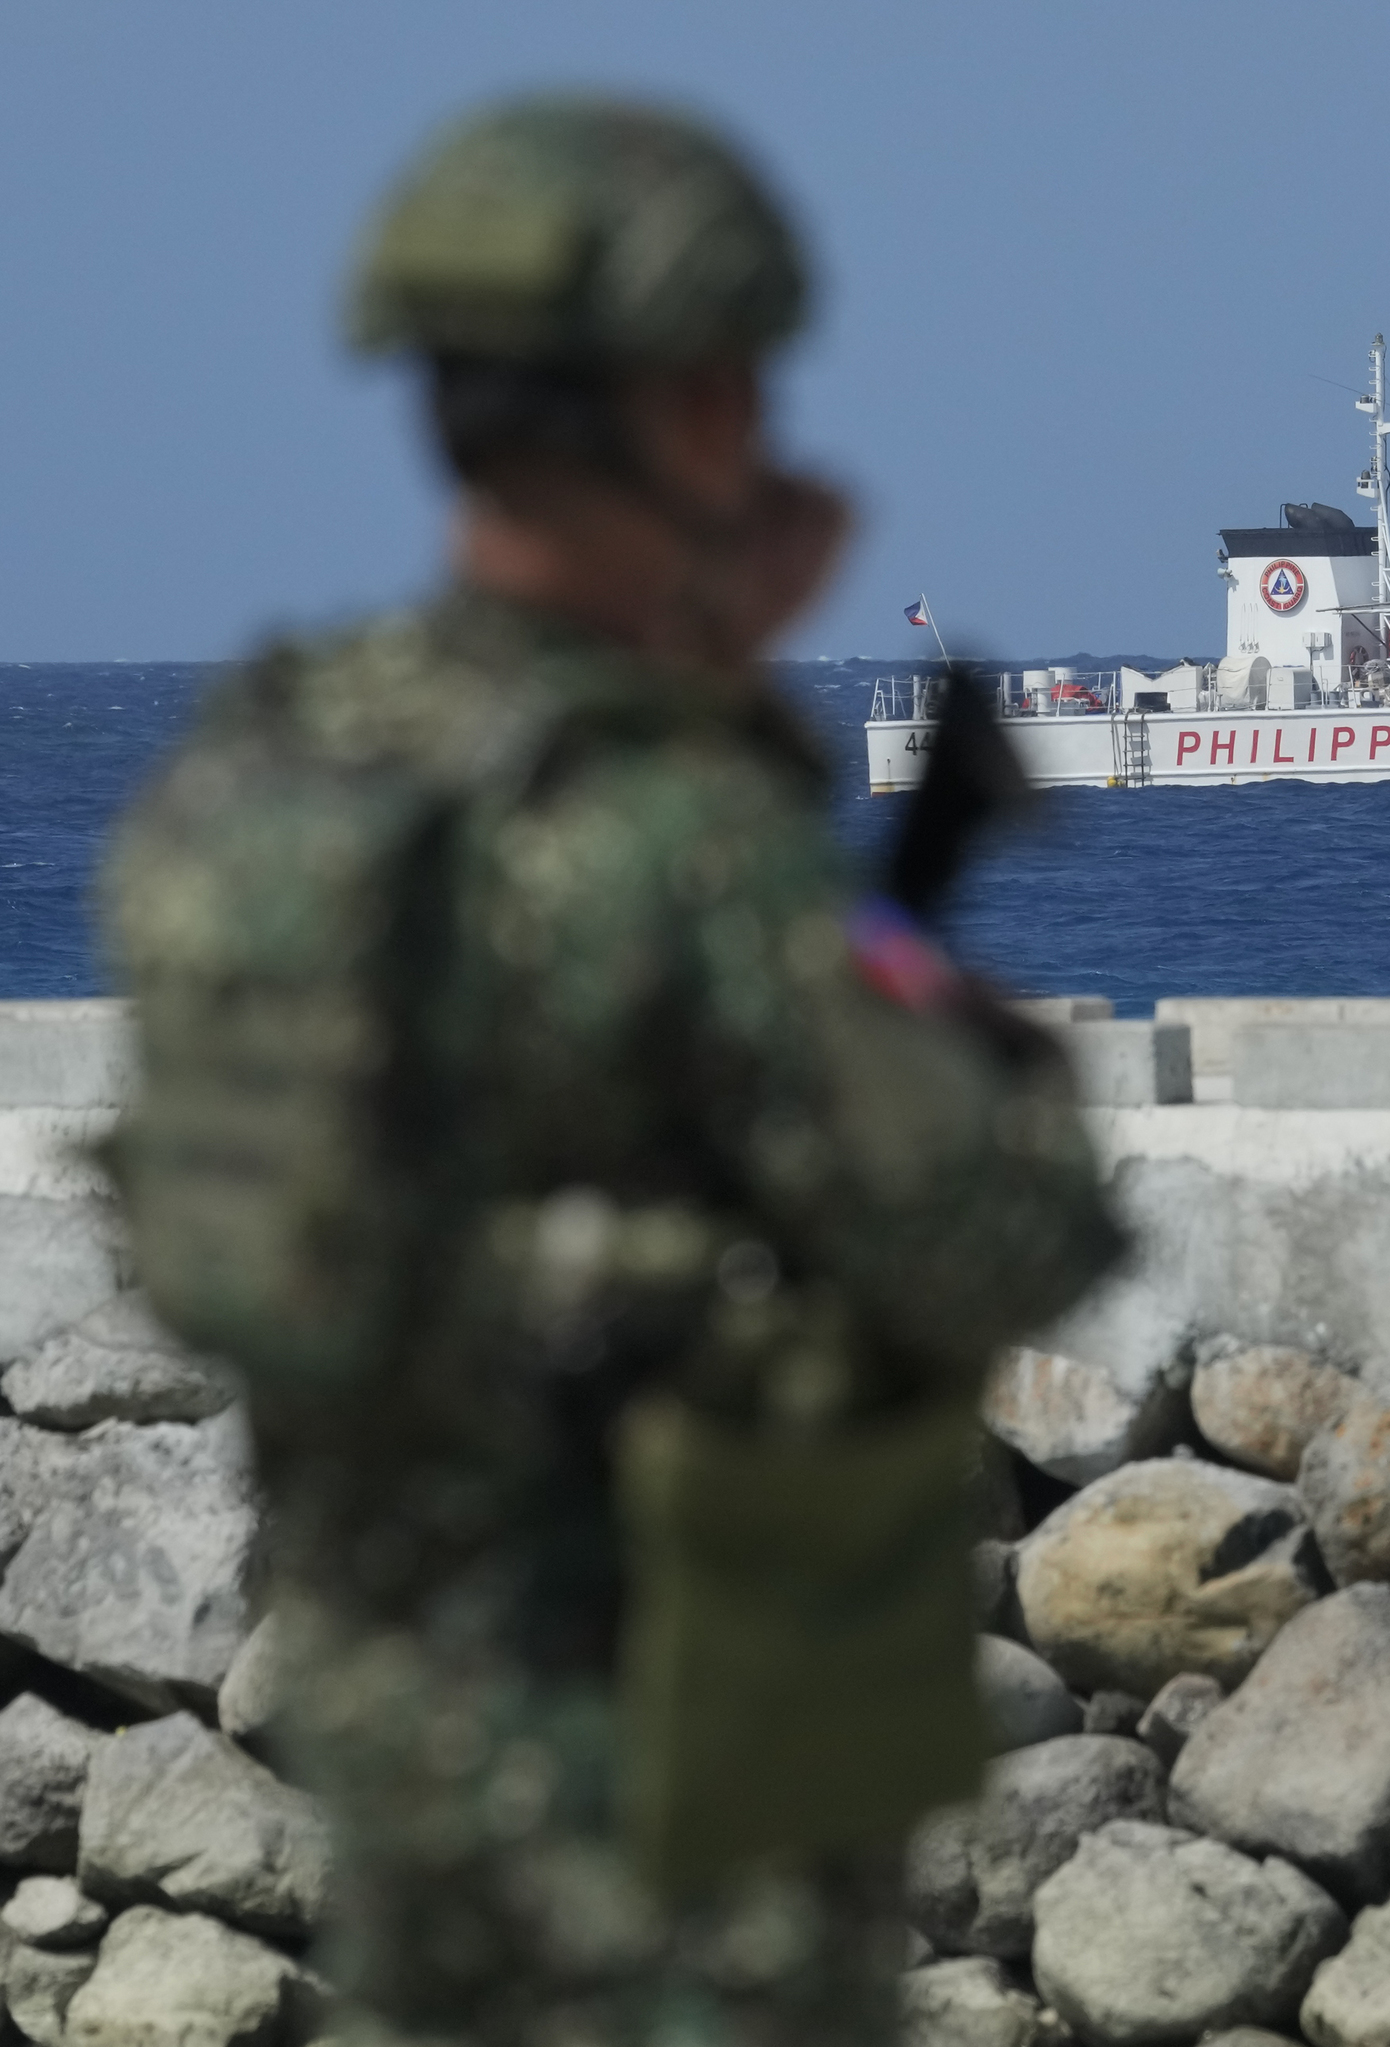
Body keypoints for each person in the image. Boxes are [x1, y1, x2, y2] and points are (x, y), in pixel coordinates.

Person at [99, 95, 1119, 2045]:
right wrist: (755, 737)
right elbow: (1007, 1228)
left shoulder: (245, 784)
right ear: (691, 406)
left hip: (400, 1734)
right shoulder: (669, 828)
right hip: (678, 1762)